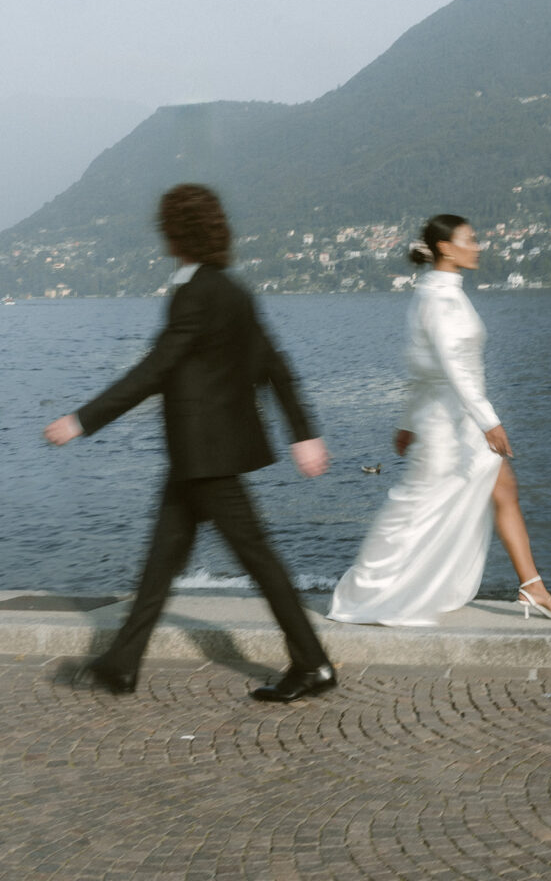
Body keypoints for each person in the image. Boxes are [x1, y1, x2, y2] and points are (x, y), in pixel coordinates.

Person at [44, 183, 336, 702]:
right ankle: (122, 664)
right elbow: (275, 366)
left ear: (173, 233)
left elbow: (158, 368)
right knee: (161, 564)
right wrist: (304, 433)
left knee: (257, 560)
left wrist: (82, 420)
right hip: (198, 459)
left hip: (205, 460)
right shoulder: (233, 290)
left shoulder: (194, 293)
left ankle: (312, 664)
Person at [328, 213, 551, 626]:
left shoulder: (437, 294)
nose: (477, 246)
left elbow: (419, 367)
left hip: (453, 418)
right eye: (470, 239)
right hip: (452, 426)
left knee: (504, 491)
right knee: (417, 508)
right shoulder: (440, 300)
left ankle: (532, 587)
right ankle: (366, 592)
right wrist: (488, 422)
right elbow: (449, 366)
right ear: (446, 247)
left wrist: (408, 422)